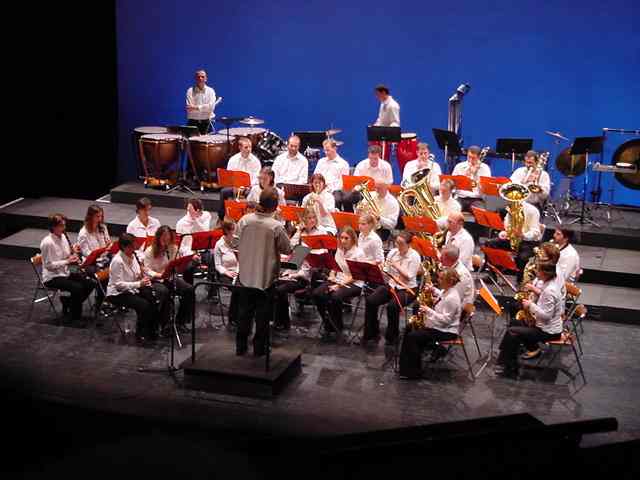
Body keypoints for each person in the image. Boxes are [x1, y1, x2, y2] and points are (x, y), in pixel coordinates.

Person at [235, 188, 292, 356]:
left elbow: (236, 243)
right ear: (275, 206)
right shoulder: (275, 226)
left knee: (244, 313)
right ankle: (259, 349)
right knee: (262, 316)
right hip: (266, 277)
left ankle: (241, 347)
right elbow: (287, 249)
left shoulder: (245, 220)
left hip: (245, 274)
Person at [494, 261, 563, 378]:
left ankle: (505, 363)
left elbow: (547, 316)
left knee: (513, 331)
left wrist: (530, 305)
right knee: (515, 322)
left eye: (538, 270)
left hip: (548, 331)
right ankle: (507, 358)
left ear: (545, 273)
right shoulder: (547, 285)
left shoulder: (550, 291)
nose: (536, 272)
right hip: (543, 325)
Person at [398, 268, 462, 379]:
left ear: (450, 282)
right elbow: (442, 295)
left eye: (441, 278)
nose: (438, 280)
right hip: (439, 327)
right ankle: (405, 367)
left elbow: (446, 321)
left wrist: (428, 310)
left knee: (413, 337)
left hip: (446, 331)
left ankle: (413, 372)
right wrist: (433, 290)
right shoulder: (447, 290)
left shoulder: (452, 298)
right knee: (409, 328)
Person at [106, 233, 168, 343]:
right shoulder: (117, 261)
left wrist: (140, 276)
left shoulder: (133, 255)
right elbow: (118, 285)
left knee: (153, 298)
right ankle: (141, 333)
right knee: (143, 305)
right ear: (124, 247)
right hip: (117, 294)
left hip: (132, 288)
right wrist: (139, 284)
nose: (134, 249)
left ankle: (152, 329)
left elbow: (136, 273)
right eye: (131, 247)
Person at [362, 231, 420, 346]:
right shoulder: (393, 253)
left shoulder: (414, 256)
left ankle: (392, 337)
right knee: (370, 300)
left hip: (408, 289)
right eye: (396, 243)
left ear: (409, 244)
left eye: (401, 244)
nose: (398, 246)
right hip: (392, 285)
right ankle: (372, 332)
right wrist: (382, 269)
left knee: (392, 306)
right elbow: (386, 272)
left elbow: (409, 277)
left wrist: (396, 265)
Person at [274, 208, 327, 331]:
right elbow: (290, 248)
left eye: (314, 217)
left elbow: (322, 255)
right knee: (273, 286)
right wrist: (298, 231)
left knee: (280, 290)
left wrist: (296, 274)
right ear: (303, 220)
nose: (312, 220)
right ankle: (278, 320)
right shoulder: (300, 233)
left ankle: (283, 322)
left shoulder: (321, 231)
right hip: (294, 269)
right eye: (309, 218)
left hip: (307, 274)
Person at [312, 226, 365, 340]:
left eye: (346, 238)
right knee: (317, 293)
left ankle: (337, 325)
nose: (343, 241)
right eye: (341, 238)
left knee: (335, 296)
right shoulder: (339, 250)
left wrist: (338, 285)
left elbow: (357, 276)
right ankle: (327, 321)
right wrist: (332, 275)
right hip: (339, 279)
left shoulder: (359, 253)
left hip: (354, 283)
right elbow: (335, 267)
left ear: (353, 239)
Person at [40, 214, 95, 324]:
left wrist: (73, 251)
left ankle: (68, 302)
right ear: (53, 227)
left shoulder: (64, 236)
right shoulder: (47, 243)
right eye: (61, 226)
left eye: (64, 225)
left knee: (90, 283)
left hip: (65, 272)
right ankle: (74, 317)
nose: (64, 228)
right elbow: (48, 265)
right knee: (77, 288)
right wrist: (67, 261)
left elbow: (65, 254)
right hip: (53, 277)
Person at [143, 226, 195, 334]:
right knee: (164, 292)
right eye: (163, 237)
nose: (166, 239)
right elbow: (146, 270)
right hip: (155, 280)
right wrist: (159, 275)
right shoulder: (150, 251)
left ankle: (181, 321)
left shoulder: (173, 249)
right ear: (158, 237)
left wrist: (187, 261)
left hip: (170, 277)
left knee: (189, 289)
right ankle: (164, 324)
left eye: (168, 237)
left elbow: (177, 268)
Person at [485, 199, 541, 282]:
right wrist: (505, 232)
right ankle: (492, 275)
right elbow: (507, 225)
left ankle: (521, 280)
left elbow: (536, 232)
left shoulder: (532, 211)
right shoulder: (511, 208)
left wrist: (523, 235)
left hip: (529, 242)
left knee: (522, 257)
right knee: (490, 244)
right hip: (512, 239)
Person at [218, 137, 262, 222]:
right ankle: (221, 218)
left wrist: (247, 187)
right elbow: (229, 177)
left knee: (253, 192)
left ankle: (247, 218)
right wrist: (235, 186)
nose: (249, 149)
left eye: (250, 147)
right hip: (235, 186)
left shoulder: (256, 161)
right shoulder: (233, 160)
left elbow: (256, 179)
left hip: (249, 188)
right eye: (246, 147)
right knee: (223, 192)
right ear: (240, 148)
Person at [77, 205, 112, 303]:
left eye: (101, 216)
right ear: (90, 216)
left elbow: (108, 242)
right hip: (90, 263)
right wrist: (99, 253)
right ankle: (101, 302)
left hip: (103, 259)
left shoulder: (103, 228)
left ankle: (112, 300)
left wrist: (109, 246)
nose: (100, 219)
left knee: (117, 268)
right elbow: (86, 253)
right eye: (97, 216)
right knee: (103, 275)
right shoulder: (83, 233)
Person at [343, 145, 393, 212]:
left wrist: (380, 186)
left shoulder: (386, 166)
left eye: (375, 159)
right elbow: (355, 182)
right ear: (368, 156)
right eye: (371, 158)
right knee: (346, 199)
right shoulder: (361, 165)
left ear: (379, 156)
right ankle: (352, 219)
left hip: (379, 192)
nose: (373, 161)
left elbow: (389, 184)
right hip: (362, 193)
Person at [176, 198, 209, 284]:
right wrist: (192, 255)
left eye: (192, 210)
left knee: (213, 258)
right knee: (188, 267)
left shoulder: (206, 215)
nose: (189, 213)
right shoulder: (181, 223)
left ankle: (211, 288)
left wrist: (196, 219)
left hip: (203, 250)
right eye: (188, 210)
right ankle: (189, 290)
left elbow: (205, 232)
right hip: (189, 252)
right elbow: (181, 246)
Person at [213, 219, 240, 326]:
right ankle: (233, 318)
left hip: (239, 271)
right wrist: (226, 272)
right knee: (238, 289)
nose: (236, 232)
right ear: (228, 231)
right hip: (225, 274)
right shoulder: (219, 244)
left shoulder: (238, 241)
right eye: (234, 229)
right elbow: (218, 265)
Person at [313, 139, 350, 210]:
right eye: (325, 150)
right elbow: (315, 177)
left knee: (336, 198)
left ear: (335, 148)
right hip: (320, 189)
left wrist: (329, 190)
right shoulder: (321, 161)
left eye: (328, 150)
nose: (326, 153)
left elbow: (342, 184)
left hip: (334, 192)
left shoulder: (343, 164)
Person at [451, 145, 491, 212]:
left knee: (481, 212)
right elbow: (452, 184)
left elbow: (485, 189)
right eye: (469, 157)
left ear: (478, 157)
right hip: (461, 197)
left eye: (473, 158)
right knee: (452, 210)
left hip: (476, 199)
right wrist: (465, 176)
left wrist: (475, 175)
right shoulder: (459, 166)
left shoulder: (485, 168)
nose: (470, 160)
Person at [272, 135, 308, 201]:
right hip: (279, 187)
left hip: (294, 190)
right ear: (287, 145)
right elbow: (274, 175)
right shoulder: (279, 158)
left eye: (296, 146)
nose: (293, 148)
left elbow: (303, 180)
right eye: (291, 146)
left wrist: (291, 189)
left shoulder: (304, 161)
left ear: (299, 147)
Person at [185, 69, 217, 135]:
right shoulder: (190, 91)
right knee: (192, 144)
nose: (200, 78)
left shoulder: (211, 91)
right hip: (193, 122)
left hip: (207, 123)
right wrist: (205, 108)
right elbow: (189, 109)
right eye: (198, 77)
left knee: (206, 145)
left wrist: (195, 107)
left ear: (206, 79)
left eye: (202, 76)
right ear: (195, 79)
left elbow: (211, 108)